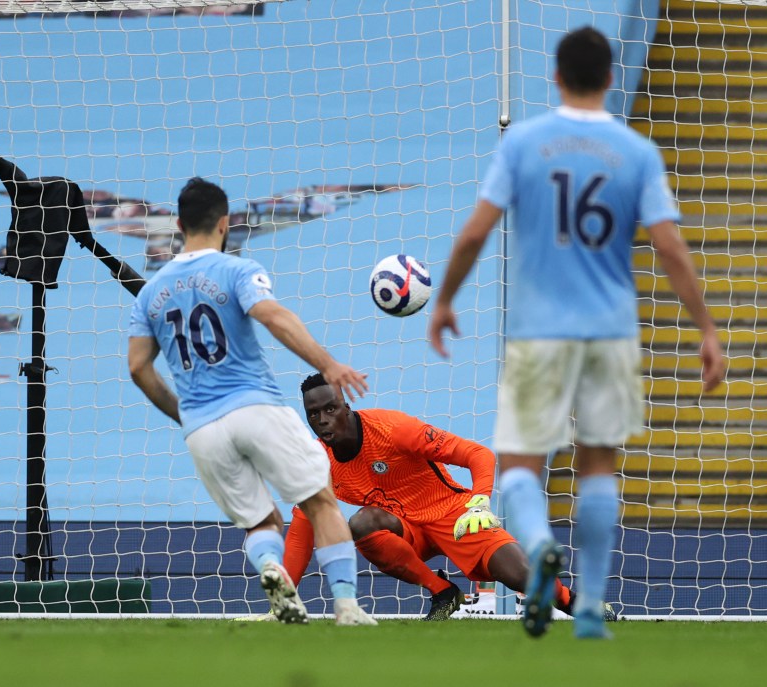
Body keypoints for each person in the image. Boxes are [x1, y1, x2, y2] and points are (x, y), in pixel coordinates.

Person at [429, 26, 726, 640]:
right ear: (611, 80)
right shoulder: (636, 152)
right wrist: (706, 329)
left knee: (518, 465)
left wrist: (446, 301)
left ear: (556, 77)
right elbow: (669, 246)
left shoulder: (527, 145)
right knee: (597, 467)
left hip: (540, 333)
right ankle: (589, 607)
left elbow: (475, 232)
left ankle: (538, 548)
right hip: (611, 332)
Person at [127, 177, 376, 626]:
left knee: (261, 523)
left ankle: (269, 569)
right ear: (225, 223)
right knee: (320, 501)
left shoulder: (149, 294)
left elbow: (138, 368)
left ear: (179, 224)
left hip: (202, 429)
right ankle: (346, 607)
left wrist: (183, 412)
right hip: (255, 406)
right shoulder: (237, 270)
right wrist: (329, 364)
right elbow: (273, 316)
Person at [282, 373, 603, 622]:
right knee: (362, 523)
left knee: (521, 577)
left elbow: (478, 454)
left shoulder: (394, 430)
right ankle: (443, 593)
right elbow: (301, 528)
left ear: (346, 407)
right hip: (408, 530)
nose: (323, 420)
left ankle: (571, 600)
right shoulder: (317, 462)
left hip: (455, 517)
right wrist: (284, 596)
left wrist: (480, 500)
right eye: (313, 414)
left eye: (330, 408)